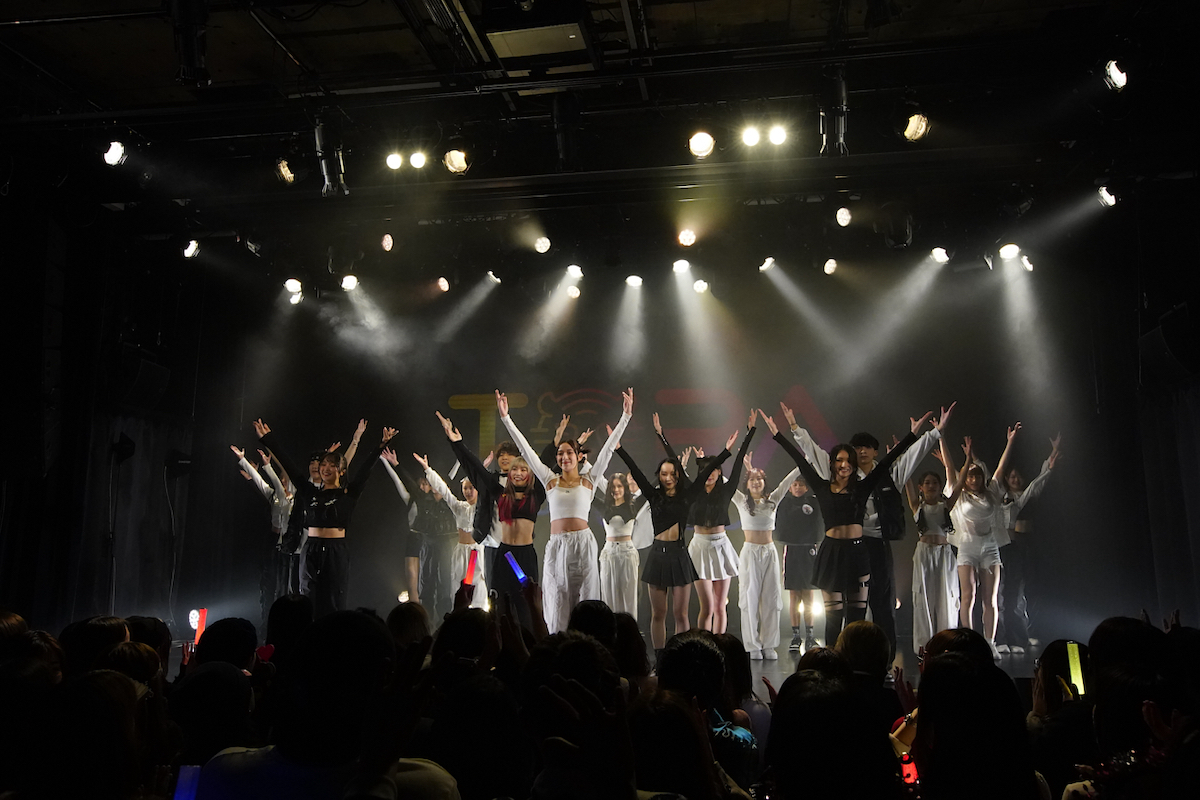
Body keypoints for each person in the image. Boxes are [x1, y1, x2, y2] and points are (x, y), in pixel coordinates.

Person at [780, 401, 954, 660]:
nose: (861, 451)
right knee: (842, 610)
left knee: (882, 605)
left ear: (875, 452)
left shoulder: (888, 474)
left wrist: (934, 433)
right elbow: (813, 453)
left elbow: (911, 456)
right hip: (849, 547)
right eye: (857, 447)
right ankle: (840, 658)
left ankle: (885, 661)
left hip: (878, 545)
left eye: (867, 447)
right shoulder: (839, 475)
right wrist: (795, 428)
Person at [758, 407, 925, 648]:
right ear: (832, 464)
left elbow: (886, 462)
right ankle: (831, 660)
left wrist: (912, 435)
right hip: (831, 553)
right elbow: (799, 459)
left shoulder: (862, 487)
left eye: (848, 460)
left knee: (856, 617)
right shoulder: (822, 486)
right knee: (833, 617)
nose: (844, 464)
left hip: (858, 553)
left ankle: (853, 660)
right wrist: (779, 434)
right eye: (839, 460)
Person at [497, 387, 633, 634]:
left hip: (583, 544)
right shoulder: (550, 480)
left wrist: (625, 417)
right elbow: (526, 450)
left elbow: (607, 450)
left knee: (585, 601)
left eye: (569, 452)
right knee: (557, 598)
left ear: (579, 456)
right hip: (557, 545)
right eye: (560, 453)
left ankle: (587, 644)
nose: (564, 456)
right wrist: (506, 418)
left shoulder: (589, 480)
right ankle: (559, 645)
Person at [615, 415, 738, 659]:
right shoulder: (654, 495)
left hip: (680, 554)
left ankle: (680, 658)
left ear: (677, 475)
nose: (668, 477)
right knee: (658, 614)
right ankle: (661, 659)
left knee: (681, 614)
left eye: (672, 473)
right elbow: (636, 471)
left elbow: (705, 474)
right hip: (658, 555)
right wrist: (619, 448)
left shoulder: (687, 496)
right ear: (659, 475)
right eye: (664, 474)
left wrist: (725, 452)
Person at [255, 418, 394, 617]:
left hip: (335, 550)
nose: (326, 468)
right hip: (311, 548)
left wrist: (381, 445)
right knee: (307, 598)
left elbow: (365, 470)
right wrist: (268, 439)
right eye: (324, 464)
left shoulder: (348, 493)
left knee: (334, 599)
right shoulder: (309, 491)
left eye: (332, 465)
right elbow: (290, 466)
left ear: (342, 471)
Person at [438, 410, 545, 631]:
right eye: (514, 469)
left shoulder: (537, 494)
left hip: (524, 555)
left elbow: (541, 461)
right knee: (498, 604)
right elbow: (476, 469)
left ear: (530, 473)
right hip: (502, 552)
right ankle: (498, 641)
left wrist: (507, 419)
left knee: (527, 604)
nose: (517, 472)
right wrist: (457, 444)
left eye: (523, 469)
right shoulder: (499, 491)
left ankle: (530, 642)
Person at [941, 423, 1023, 656]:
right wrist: (941, 436)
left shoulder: (992, 492)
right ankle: (968, 641)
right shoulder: (959, 493)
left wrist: (1011, 441)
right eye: (970, 475)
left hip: (989, 547)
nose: (974, 478)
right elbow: (949, 467)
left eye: (977, 475)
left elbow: (1001, 468)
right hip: (967, 547)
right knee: (968, 597)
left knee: (991, 599)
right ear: (965, 477)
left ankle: (990, 642)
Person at [688, 411, 756, 635]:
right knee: (706, 607)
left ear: (719, 472)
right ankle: (704, 645)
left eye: (713, 470)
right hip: (699, 546)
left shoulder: (726, 490)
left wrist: (750, 432)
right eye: (704, 470)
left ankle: (719, 645)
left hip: (721, 546)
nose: (709, 474)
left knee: (719, 606)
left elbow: (737, 465)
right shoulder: (694, 491)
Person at [903, 435, 971, 655]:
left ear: (940, 486)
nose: (931, 486)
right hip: (924, 554)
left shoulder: (946, 504)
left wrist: (968, 459)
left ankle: (945, 642)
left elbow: (959, 484)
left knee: (946, 596)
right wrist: (904, 452)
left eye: (935, 482)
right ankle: (924, 645)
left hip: (943, 554)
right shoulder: (917, 505)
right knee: (923, 596)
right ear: (921, 487)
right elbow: (906, 477)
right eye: (927, 483)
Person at [993, 432, 1061, 653]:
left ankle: (1021, 635)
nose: (1015, 480)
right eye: (1011, 476)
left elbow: (1036, 483)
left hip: (1021, 545)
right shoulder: (997, 497)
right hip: (1001, 547)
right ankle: (1001, 637)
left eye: (1017, 476)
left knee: (1019, 591)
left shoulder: (1021, 499)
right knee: (1002, 592)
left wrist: (1050, 462)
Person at [730, 452, 799, 660]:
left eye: (759, 479)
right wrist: (710, 464)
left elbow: (787, 481)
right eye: (752, 479)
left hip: (769, 552)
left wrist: (803, 462)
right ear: (747, 484)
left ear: (764, 482)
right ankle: (752, 646)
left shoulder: (772, 500)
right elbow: (725, 483)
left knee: (771, 599)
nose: (756, 482)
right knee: (748, 599)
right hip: (750, 553)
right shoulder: (741, 501)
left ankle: (769, 644)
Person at [379, 450, 458, 619]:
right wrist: (395, 464)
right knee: (426, 581)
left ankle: (445, 617)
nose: (433, 486)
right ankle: (425, 616)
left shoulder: (449, 501)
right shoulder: (422, 499)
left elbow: (451, 477)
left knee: (445, 580)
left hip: (446, 543)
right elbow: (405, 482)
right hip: (426, 542)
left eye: (436, 483)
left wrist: (460, 458)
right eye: (431, 482)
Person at [412, 453, 489, 610]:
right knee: (457, 586)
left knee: (477, 587)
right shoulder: (459, 507)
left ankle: (479, 617)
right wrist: (427, 469)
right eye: (465, 488)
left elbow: (487, 490)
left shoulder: (481, 507)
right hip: (459, 551)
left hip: (475, 552)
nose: (468, 491)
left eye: (472, 488)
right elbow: (444, 490)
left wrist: (482, 470)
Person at [774, 474, 825, 652]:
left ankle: (810, 635)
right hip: (792, 551)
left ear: (806, 487)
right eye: (794, 485)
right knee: (794, 595)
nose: (797, 487)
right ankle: (796, 636)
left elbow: (818, 525)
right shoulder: (784, 504)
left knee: (808, 594)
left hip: (809, 550)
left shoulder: (814, 501)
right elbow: (781, 527)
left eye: (800, 485)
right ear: (789, 487)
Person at [589, 471, 647, 616]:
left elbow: (649, 488)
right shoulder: (604, 507)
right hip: (609, 554)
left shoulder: (633, 505)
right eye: (613, 487)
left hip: (627, 553)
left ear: (625, 488)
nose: (616, 490)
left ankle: (629, 627)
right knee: (608, 595)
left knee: (628, 596)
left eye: (619, 486)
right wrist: (584, 466)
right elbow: (587, 490)